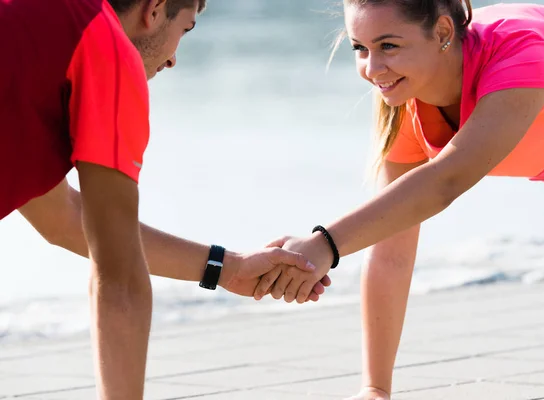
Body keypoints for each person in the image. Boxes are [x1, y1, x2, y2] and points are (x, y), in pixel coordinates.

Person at [252, 0, 544, 399]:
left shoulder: (523, 53)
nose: (372, 68)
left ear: (442, 34)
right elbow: (391, 252)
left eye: (389, 46)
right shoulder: (403, 95)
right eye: (360, 48)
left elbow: (445, 180)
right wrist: (375, 389)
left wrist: (324, 244)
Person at [0, 0, 330, 398]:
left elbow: (64, 217)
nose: (174, 59)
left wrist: (229, 268)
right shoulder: (104, 45)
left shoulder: (38, 26)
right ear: (154, 9)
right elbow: (118, 274)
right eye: (186, 30)